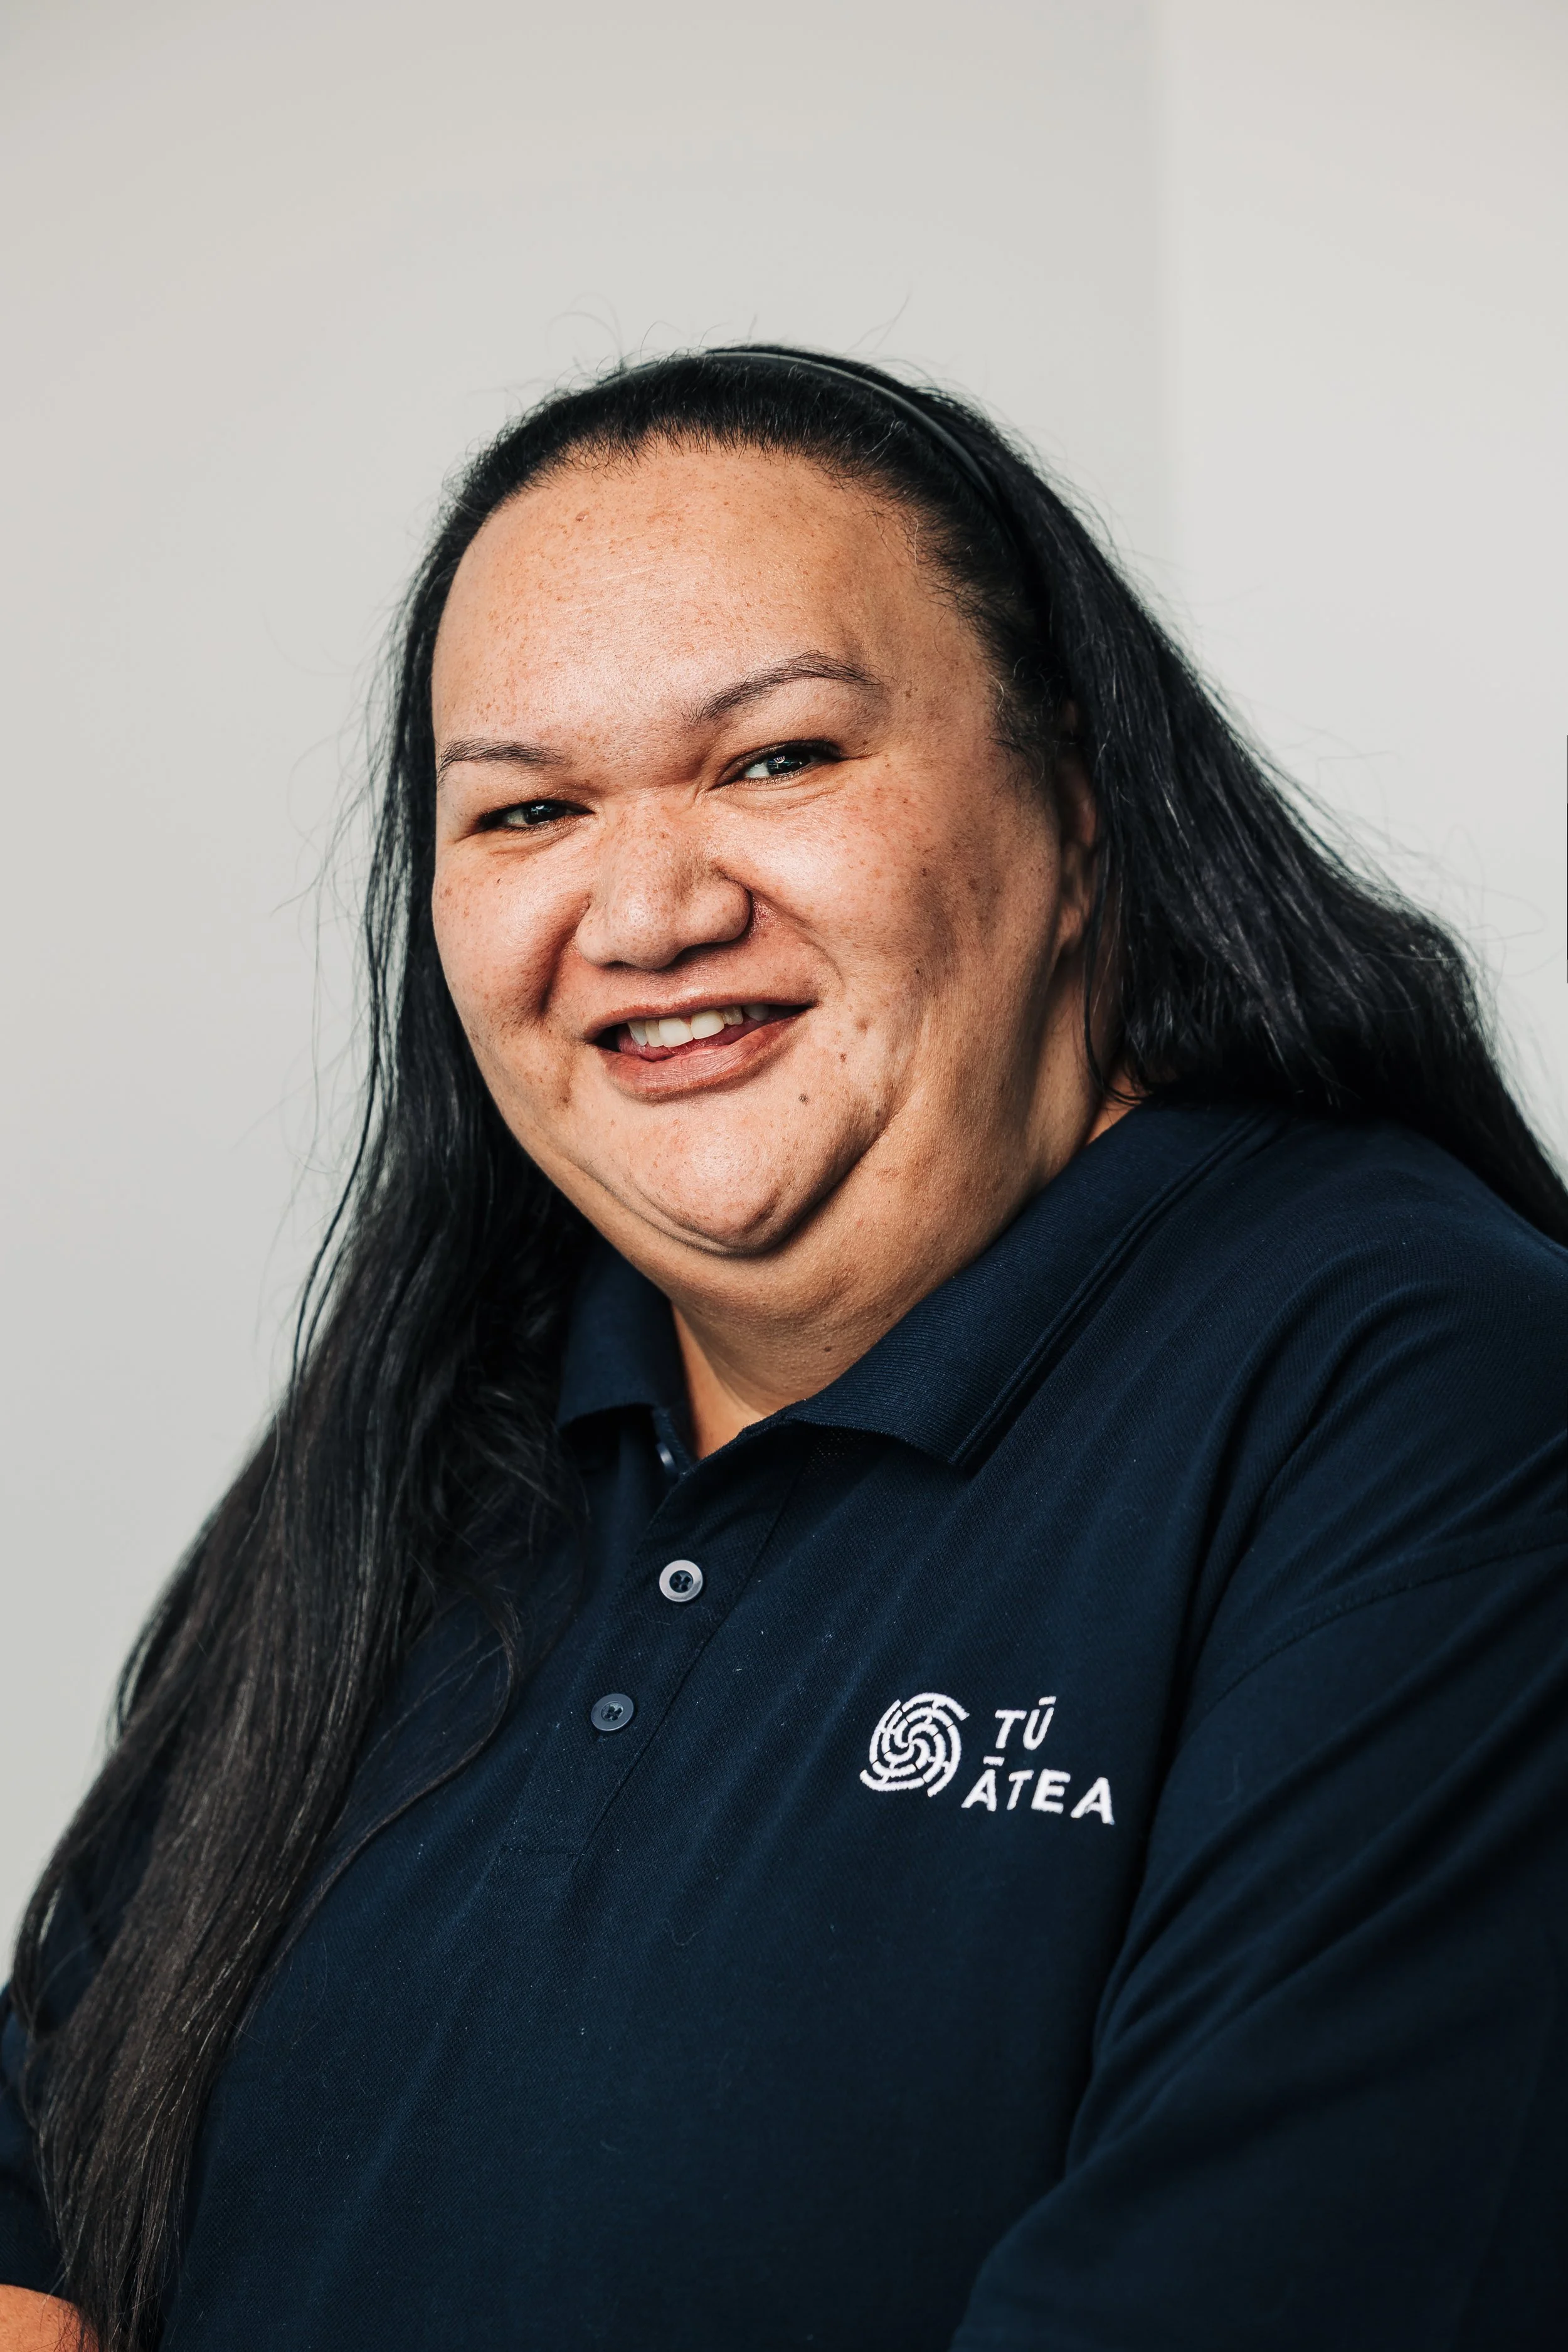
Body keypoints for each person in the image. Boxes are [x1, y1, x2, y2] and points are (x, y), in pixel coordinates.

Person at [2, 347, 1565, 2352]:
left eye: (776, 759)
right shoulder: (444, 1408)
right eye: (528, 808)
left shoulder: (1425, 1392)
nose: (647, 910)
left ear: (1079, 808)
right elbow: (48, 2142)